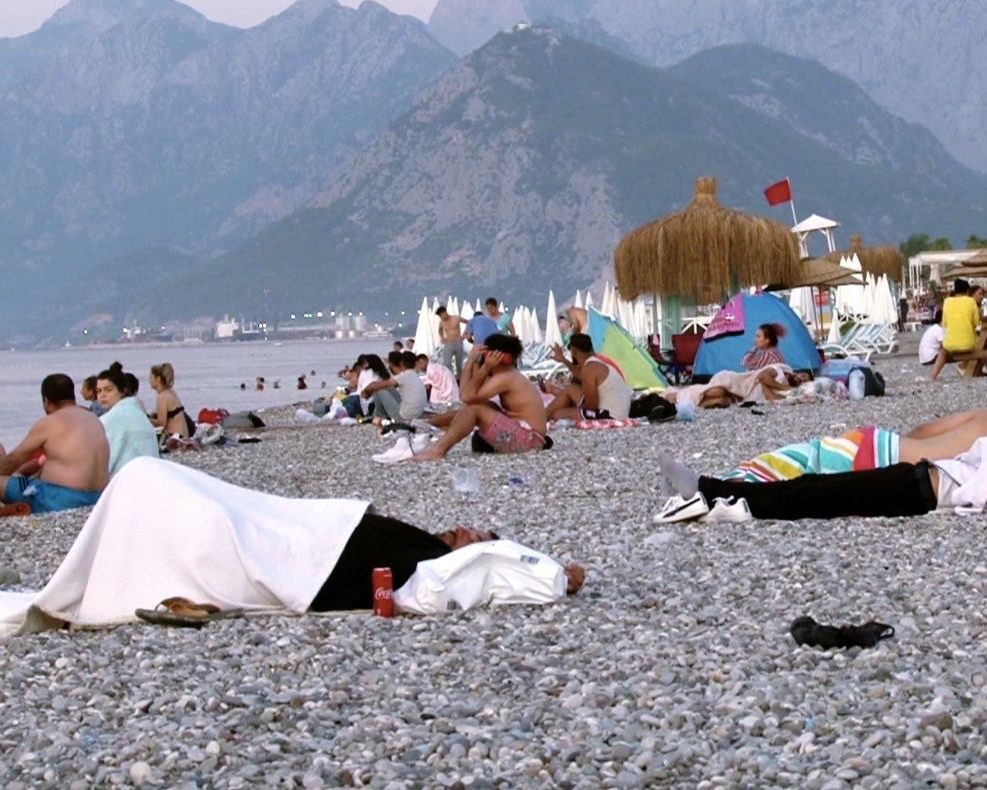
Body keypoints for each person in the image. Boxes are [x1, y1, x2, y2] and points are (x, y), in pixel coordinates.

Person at [0, 457, 586, 634]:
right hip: (301, 535)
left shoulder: (436, 563)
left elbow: (536, 574)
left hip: (299, 559)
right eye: (469, 529)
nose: (465, 531)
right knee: (149, 481)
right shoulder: (419, 546)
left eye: (476, 536)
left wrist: (559, 569)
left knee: (148, 483)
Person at [659, 408, 987, 500]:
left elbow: (925, 430)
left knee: (796, 466)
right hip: (882, 455)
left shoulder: (981, 417)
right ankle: (711, 487)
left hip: (879, 449)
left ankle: (710, 488)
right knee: (795, 468)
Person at [415, 334, 550, 460]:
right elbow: (466, 393)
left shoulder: (505, 377)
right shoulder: (506, 374)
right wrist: (472, 361)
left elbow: (466, 397)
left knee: (475, 408)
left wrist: (484, 367)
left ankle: (438, 450)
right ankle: (430, 426)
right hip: (529, 436)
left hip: (530, 440)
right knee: (482, 405)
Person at [0, 373, 109, 513]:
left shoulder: (50, 422)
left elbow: (13, 460)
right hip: (98, 498)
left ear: (46, 401)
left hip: (62, 500)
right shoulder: (93, 418)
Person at [545, 334, 633, 420]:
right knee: (571, 389)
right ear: (591, 348)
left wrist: (570, 405)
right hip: (617, 412)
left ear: (573, 351)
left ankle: (542, 418)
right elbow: (579, 374)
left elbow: (591, 407)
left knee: (558, 414)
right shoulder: (595, 364)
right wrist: (563, 360)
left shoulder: (589, 369)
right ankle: (543, 416)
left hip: (610, 416)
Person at [97, 365, 160, 477]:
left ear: (122, 391)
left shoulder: (111, 419)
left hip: (125, 482)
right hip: (150, 477)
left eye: (108, 390)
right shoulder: (140, 414)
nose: (102, 395)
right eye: (99, 391)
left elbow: (105, 462)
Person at [930, 278, 981, 381]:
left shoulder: (947, 302)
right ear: (967, 291)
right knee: (980, 343)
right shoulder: (971, 301)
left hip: (950, 344)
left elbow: (944, 323)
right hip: (969, 343)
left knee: (943, 352)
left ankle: (933, 376)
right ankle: (966, 367)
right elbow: (977, 323)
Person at [362, 351, 427, 422]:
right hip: (416, 414)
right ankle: (379, 415)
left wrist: (365, 391)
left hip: (404, 416)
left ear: (401, 363)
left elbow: (377, 386)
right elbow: (387, 385)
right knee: (386, 387)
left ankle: (379, 416)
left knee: (379, 390)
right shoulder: (413, 375)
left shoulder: (404, 376)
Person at [148, 363, 191, 438]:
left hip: (176, 437)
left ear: (158, 379)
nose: (149, 380)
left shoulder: (162, 397)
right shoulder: (170, 392)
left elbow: (161, 425)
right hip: (183, 435)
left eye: (151, 377)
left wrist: (148, 419)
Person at [436, 307, 467, 377]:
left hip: (458, 342)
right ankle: (450, 377)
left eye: (441, 315)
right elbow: (439, 330)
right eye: (440, 316)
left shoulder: (456, 318)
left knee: (459, 364)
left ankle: (460, 378)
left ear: (445, 312)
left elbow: (468, 322)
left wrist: (465, 334)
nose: (441, 317)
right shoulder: (441, 322)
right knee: (447, 363)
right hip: (448, 343)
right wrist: (442, 337)